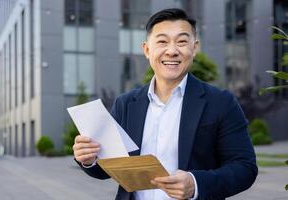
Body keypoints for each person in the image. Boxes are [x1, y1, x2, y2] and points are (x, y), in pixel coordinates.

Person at [73, 8, 258, 200]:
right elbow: (108, 168)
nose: (172, 51)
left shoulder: (221, 102)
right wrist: (90, 159)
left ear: (194, 48)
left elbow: (245, 167)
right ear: (146, 49)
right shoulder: (126, 104)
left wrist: (195, 183)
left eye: (182, 42)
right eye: (162, 41)